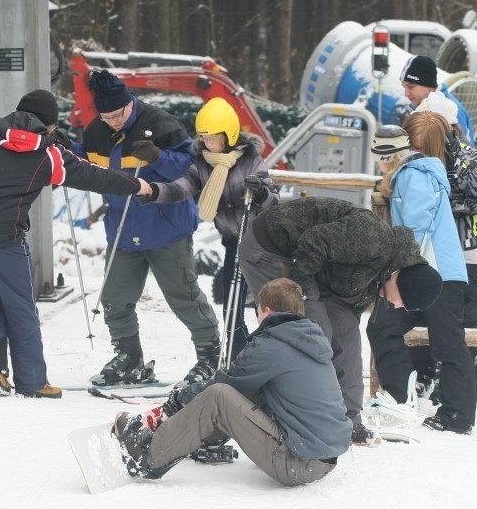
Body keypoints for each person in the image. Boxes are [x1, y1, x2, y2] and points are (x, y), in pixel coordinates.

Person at [0, 89, 151, 399]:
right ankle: (33, 382)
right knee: (20, 307)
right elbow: (95, 177)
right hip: (2, 239)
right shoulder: (48, 154)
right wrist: (137, 185)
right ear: (50, 125)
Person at [236, 197, 443, 445]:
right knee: (311, 331)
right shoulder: (374, 241)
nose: (398, 307)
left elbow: (346, 315)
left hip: (312, 266)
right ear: (400, 281)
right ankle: (282, 410)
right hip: (272, 246)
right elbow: (314, 241)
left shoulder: (380, 275)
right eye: (403, 302)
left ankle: (348, 419)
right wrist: (297, 295)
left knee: (346, 334)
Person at [113, 278, 352, 486]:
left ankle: (150, 454)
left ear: (266, 311)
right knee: (251, 388)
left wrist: (182, 398)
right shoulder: (307, 340)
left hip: (298, 463)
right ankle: (208, 440)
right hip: (322, 459)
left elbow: (226, 383)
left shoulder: (273, 345)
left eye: (257, 310)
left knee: (218, 395)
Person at [73, 70, 221, 386]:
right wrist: (66, 150)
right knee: (114, 299)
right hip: (123, 230)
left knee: (185, 297)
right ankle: (129, 359)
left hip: (166, 227)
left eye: (118, 114)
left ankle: (210, 360)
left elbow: (191, 168)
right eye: (106, 115)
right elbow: (86, 167)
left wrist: (158, 156)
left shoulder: (162, 124)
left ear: (130, 104)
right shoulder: (96, 132)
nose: (112, 120)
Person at [136, 97, 279, 363]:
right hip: (232, 245)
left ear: (230, 135)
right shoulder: (203, 163)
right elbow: (181, 187)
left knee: (269, 307)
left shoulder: (250, 160)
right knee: (231, 307)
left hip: (260, 246)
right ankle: (240, 360)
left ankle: (273, 357)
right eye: (204, 138)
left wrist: (260, 193)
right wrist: (153, 191)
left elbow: (274, 199)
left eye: (214, 138)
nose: (208, 144)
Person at [368, 115, 476, 434]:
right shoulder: (410, 174)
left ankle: (458, 414)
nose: (378, 166)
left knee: (446, 342)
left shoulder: (413, 176)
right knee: (382, 327)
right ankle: (401, 403)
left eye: (380, 159)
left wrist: (395, 269)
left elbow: (417, 225)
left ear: (391, 157)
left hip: (436, 273)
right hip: (422, 273)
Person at [406, 100, 477, 396]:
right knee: (421, 312)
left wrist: (450, 204)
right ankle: (422, 373)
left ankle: (466, 380)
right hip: (429, 248)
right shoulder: (415, 152)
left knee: (464, 316)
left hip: (464, 248)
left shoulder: (466, 156)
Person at [399, 55, 474, 145]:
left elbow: (462, 154)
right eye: (404, 87)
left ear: (428, 85)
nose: (406, 93)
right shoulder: (420, 106)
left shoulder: (450, 111)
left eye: (411, 86)